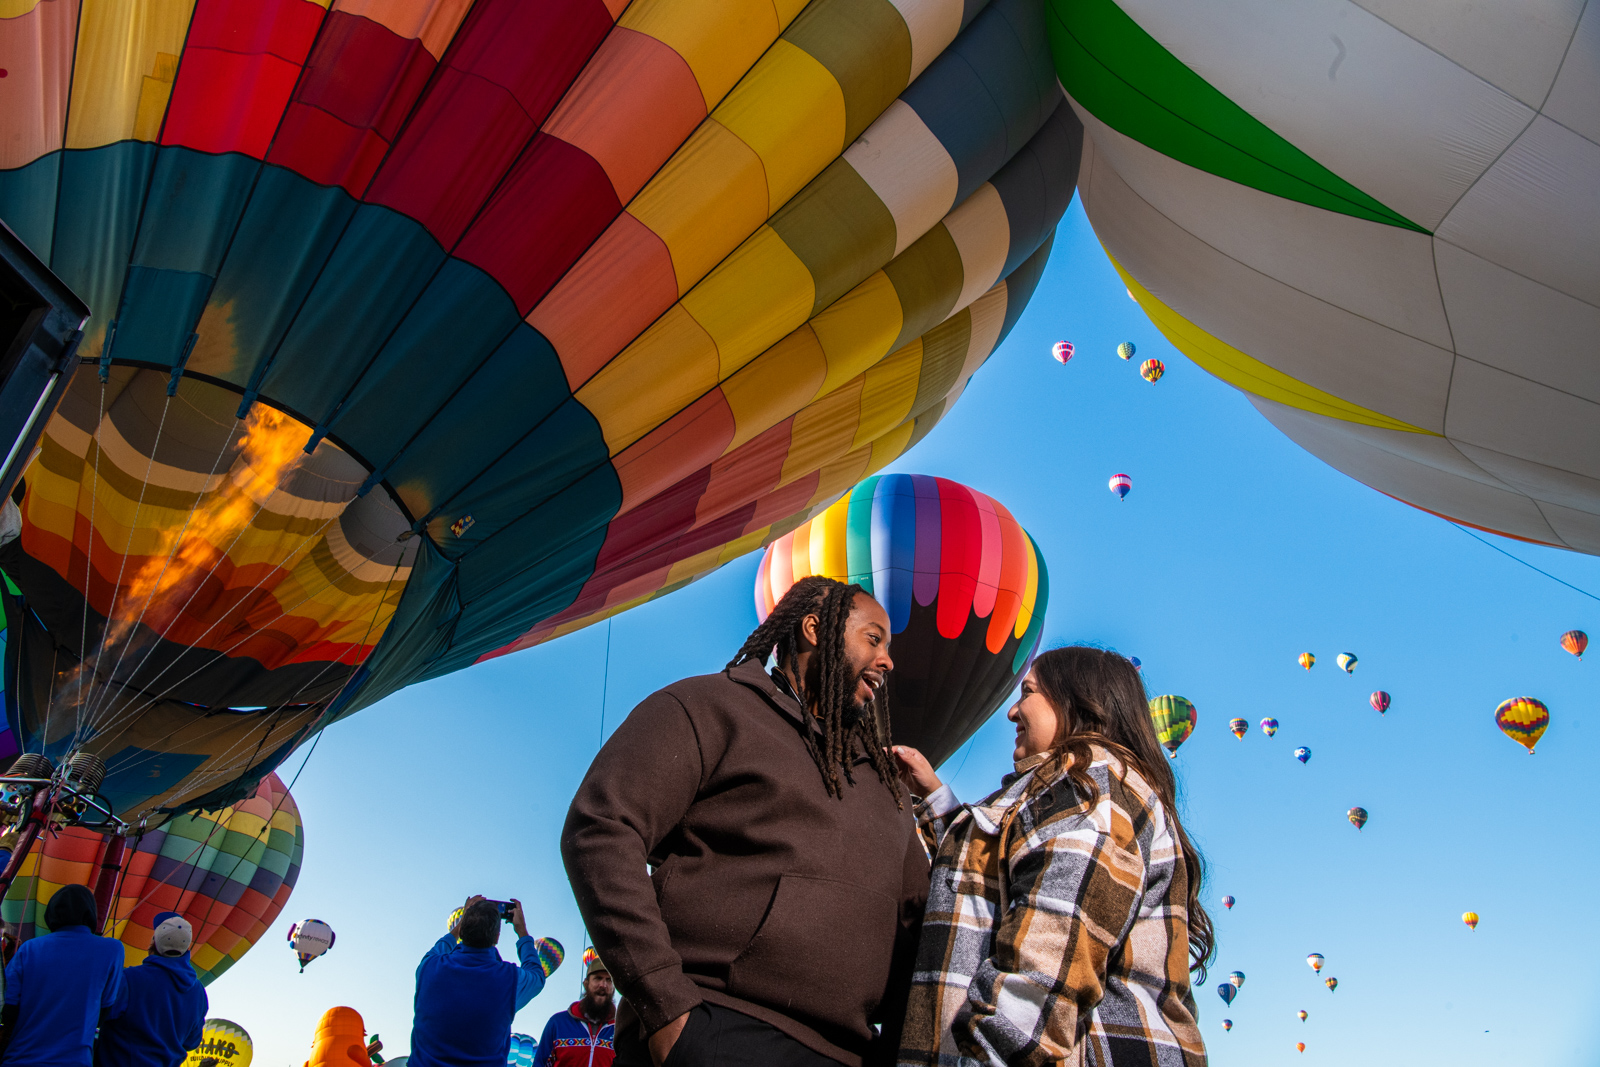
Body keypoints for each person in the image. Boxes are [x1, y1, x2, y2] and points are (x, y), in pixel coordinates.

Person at [563, 576, 929, 1067]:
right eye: (873, 638)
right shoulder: (710, 707)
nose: (888, 660)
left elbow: (918, 921)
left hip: (851, 1053)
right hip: (717, 1028)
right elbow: (602, 826)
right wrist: (668, 1008)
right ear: (815, 629)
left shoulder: (889, 786)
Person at [891, 647, 1212, 1067]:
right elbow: (997, 880)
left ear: (1073, 700)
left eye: (1027, 693)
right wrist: (936, 801)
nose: (1011, 712)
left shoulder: (1090, 792)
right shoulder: (1071, 793)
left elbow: (1045, 970)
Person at [408, 896, 563, 1067]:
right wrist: (522, 931)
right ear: (497, 937)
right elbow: (537, 976)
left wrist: (458, 927)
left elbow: (442, 945)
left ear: (462, 929)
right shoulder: (510, 979)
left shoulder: (429, 967)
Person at [0, 883, 125, 1066]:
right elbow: (105, 1007)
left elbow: (9, 1007)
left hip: (21, 1058)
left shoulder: (29, 949)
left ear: (51, 912)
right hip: (74, 1060)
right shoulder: (112, 950)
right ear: (91, 913)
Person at [95, 912, 207, 1067]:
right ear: (187, 949)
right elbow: (192, 1042)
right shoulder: (199, 993)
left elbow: (95, 1015)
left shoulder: (129, 979)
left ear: (153, 942)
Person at [532, 953, 615, 1067]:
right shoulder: (558, 1023)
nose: (603, 985)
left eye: (609, 980)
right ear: (586, 984)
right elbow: (540, 1064)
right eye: (598, 978)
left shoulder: (619, 1029)